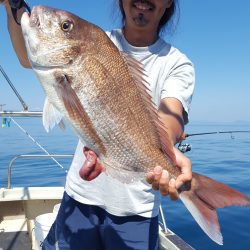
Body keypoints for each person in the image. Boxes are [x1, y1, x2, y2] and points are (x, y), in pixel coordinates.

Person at [1, 0, 195, 249]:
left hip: (136, 211)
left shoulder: (177, 63)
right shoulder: (99, 40)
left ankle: (195, 194)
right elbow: (27, 58)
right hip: (79, 196)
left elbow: (172, 114)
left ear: (168, 2)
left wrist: (166, 152)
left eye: (64, 26)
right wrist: (12, 6)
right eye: (66, 26)